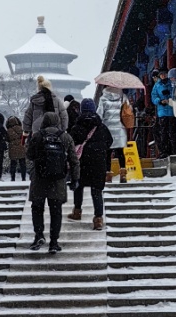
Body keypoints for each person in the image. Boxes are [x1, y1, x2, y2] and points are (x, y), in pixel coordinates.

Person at [26, 112, 80, 253]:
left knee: (37, 208)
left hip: (39, 179)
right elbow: (74, 161)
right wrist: (75, 179)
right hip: (58, 180)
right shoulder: (65, 137)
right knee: (56, 211)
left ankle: (38, 235)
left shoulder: (37, 136)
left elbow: (29, 155)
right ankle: (54, 242)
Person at [68, 98, 113, 230]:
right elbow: (109, 142)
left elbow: (70, 145)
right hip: (98, 163)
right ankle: (98, 219)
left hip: (81, 163)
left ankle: (77, 212)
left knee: (78, 187)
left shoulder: (76, 127)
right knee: (96, 191)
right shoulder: (101, 127)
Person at [97, 86, 129, 182]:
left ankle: (108, 175)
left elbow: (99, 114)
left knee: (107, 153)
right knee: (120, 153)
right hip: (120, 128)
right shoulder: (123, 97)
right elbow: (128, 111)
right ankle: (123, 175)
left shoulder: (103, 99)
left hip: (107, 130)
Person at [151, 68, 176, 157]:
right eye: (161, 74)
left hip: (172, 110)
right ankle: (165, 151)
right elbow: (153, 97)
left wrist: (169, 97)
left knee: (172, 132)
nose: (163, 76)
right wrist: (159, 100)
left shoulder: (172, 83)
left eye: (164, 74)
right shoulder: (157, 85)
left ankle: (174, 150)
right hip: (162, 112)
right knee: (163, 132)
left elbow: (175, 94)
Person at [6, 115, 27, 181]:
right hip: (21, 147)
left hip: (13, 149)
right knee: (22, 164)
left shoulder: (9, 131)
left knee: (13, 164)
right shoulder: (21, 128)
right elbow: (25, 137)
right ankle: (23, 178)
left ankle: (13, 178)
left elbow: (7, 139)